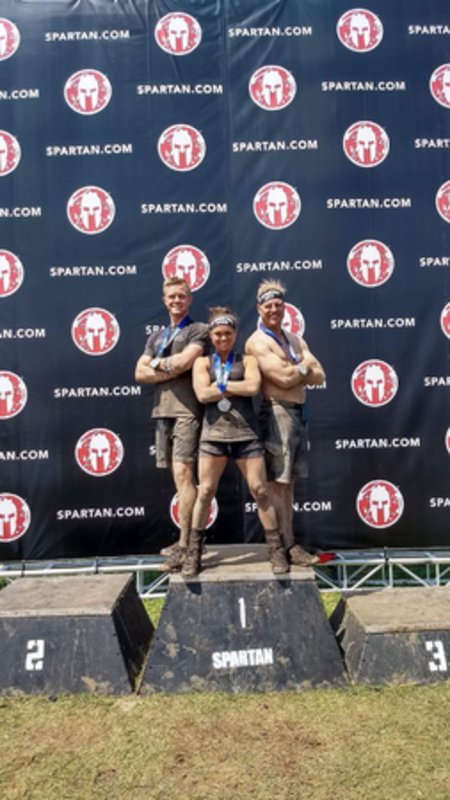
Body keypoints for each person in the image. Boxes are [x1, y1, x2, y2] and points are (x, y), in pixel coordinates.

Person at [181, 307, 289, 578]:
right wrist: (231, 387)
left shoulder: (248, 360)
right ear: (211, 335)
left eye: (227, 333)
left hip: (246, 435)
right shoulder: (202, 363)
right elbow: (202, 395)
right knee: (205, 491)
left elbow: (252, 388)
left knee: (260, 491)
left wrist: (220, 386)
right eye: (217, 334)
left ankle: (276, 549)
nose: (222, 338)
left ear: (235, 334)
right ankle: (193, 551)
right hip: (213, 437)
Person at [245, 280, 326, 566]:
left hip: (298, 413)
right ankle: (282, 546)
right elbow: (282, 378)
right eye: (268, 305)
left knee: (288, 484)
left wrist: (298, 370)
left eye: (278, 305)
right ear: (259, 309)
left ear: (285, 307)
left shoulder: (294, 339)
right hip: (276, 413)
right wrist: (303, 366)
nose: (273, 310)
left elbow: (320, 374)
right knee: (277, 484)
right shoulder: (257, 341)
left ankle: (289, 544)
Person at [134, 277, 208, 571]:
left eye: (181, 296)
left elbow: (183, 364)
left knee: (184, 475)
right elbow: (139, 372)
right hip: (162, 412)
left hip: (188, 411)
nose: (176, 300)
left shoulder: (198, 330)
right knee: (178, 479)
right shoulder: (156, 336)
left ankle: (187, 545)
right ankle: (185, 542)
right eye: (171, 296)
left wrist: (157, 364)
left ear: (189, 299)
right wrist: (166, 367)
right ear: (164, 301)